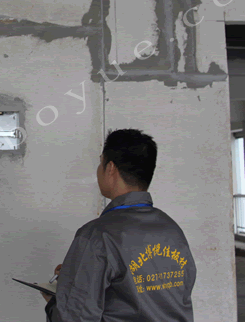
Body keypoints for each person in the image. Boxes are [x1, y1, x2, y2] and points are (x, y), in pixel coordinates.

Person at [42, 128, 197, 322]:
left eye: (101, 162)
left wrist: (57, 300)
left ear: (110, 168)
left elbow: (73, 318)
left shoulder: (97, 235)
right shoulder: (172, 230)